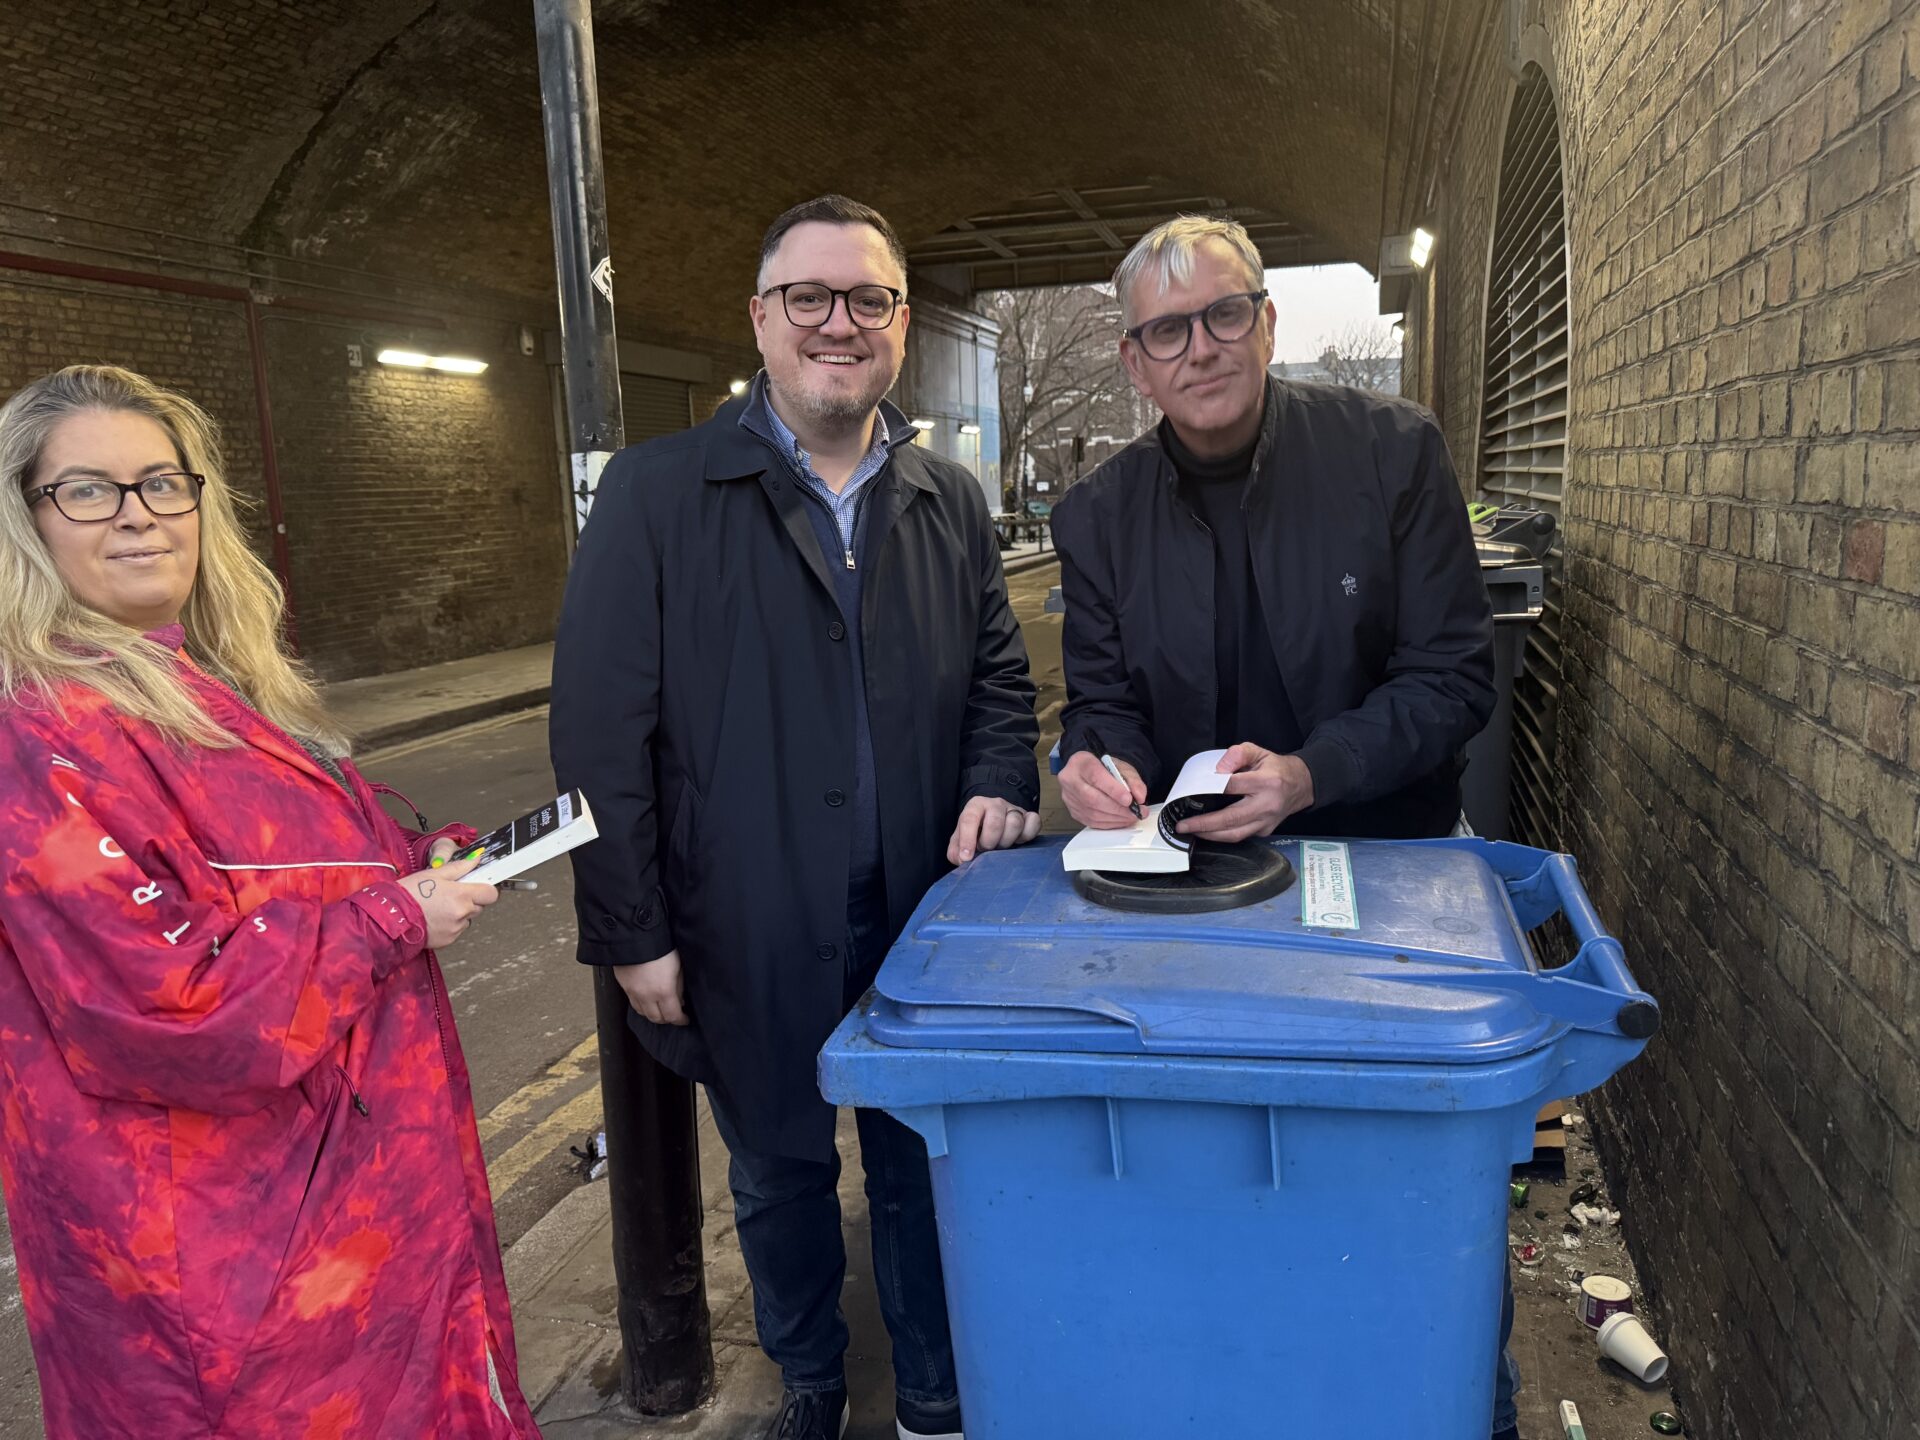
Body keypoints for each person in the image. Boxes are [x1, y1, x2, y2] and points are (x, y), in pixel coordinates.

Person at [550, 195, 1040, 1440]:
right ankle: (810, 1381)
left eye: (866, 299)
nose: (839, 323)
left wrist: (1001, 780)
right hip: (741, 914)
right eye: (808, 298)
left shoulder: (946, 498)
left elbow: (997, 676)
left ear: (900, 323)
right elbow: (600, 733)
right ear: (761, 320)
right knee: (778, 1172)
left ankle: (933, 1388)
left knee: (922, 1166)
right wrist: (631, 930)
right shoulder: (659, 495)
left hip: (924, 913)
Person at [0, 366, 538, 1439]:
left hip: (344, 1203)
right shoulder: (43, 730)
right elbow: (169, 1007)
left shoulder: (194, 679)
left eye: (161, 483)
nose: (140, 515)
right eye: (89, 491)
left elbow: (276, 869)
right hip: (228, 1259)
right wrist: (394, 921)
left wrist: (414, 862)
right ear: (25, 519)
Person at [1049, 217, 1517, 1439]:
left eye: (1222, 316)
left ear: (1267, 322)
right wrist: (1092, 767)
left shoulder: (1392, 453)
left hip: (1384, 869)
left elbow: (1455, 676)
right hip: (1190, 898)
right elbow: (1099, 700)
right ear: (1133, 362)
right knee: (1213, 1162)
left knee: (1390, 1169)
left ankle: (1453, 1388)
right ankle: (1246, 1375)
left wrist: (1312, 775)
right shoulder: (1099, 515)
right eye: (1167, 331)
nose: (1199, 348)